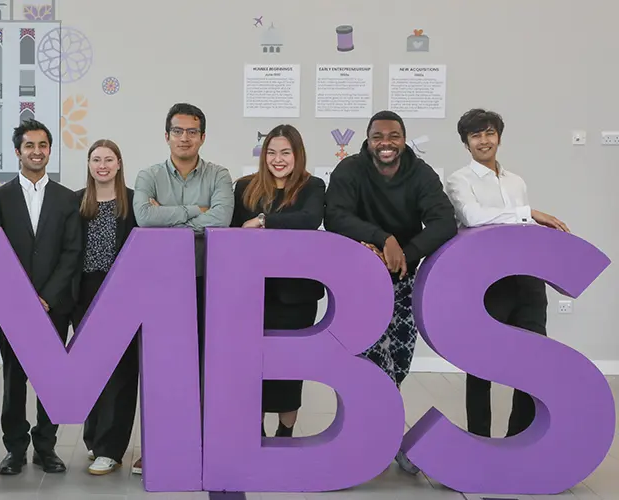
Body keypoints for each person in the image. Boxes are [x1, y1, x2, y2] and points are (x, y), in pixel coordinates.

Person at [323, 110, 457, 473]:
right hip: (357, 279)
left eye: (394, 136)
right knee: (363, 363)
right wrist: (383, 239)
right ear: (368, 140)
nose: (386, 142)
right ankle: (371, 437)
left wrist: (406, 254)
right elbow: (334, 216)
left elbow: (444, 220)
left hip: (401, 279)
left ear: (403, 139)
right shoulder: (350, 170)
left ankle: (382, 436)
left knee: (396, 363)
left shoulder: (420, 173)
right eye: (378, 136)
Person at [444, 108, 568, 439]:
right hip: (487, 283)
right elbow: (473, 217)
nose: (484, 141)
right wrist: (528, 212)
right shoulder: (459, 180)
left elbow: (520, 232)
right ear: (466, 143)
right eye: (476, 136)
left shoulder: (516, 182)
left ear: (499, 136)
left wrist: (526, 217)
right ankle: (479, 439)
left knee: (533, 362)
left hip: (527, 280)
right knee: (480, 363)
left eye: (489, 133)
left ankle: (519, 439)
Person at [132, 102, 234, 474]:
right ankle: (159, 445)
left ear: (202, 137)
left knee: (208, 365)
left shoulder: (220, 174)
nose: (185, 138)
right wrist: (197, 212)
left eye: (192, 132)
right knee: (163, 367)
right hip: (160, 285)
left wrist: (169, 217)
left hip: (209, 280)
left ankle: (206, 443)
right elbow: (144, 218)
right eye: (178, 131)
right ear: (166, 136)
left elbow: (221, 220)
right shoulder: (148, 175)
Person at [0, 119, 81, 476]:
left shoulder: (67, 198)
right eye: (29, 145)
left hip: (54, 305)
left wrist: (46, 297)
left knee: (50, 378)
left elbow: (72, 252)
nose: (37, 151)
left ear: (49, 150)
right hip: (12, 307)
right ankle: (15, 448)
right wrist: (21, 299)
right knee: (14, 379)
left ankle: (47, 446)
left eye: (43, 145)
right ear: (18, 152)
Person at [231, 125, 326, 438]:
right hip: (253, 296)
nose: (278, 159)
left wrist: (263, 220)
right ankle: (254, 432)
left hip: (295, 298)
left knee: (288, 370)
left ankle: (285, 434)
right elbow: (232, 235)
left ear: (297, 154)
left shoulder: (312, 186)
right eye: (271, 152)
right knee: (252, 369)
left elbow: (309, 220)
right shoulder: (244, 187)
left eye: (285, 152)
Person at [72, 139, 139, 475]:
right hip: (84, 294)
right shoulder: (76, 202)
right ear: (88, 164)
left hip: (122, 295)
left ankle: (111, 448)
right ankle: (93, 440)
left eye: (108, 159)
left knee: (121, 373)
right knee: (91, 371)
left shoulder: (134, 201)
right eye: (96, 159)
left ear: (118, 162)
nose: (102, 165)